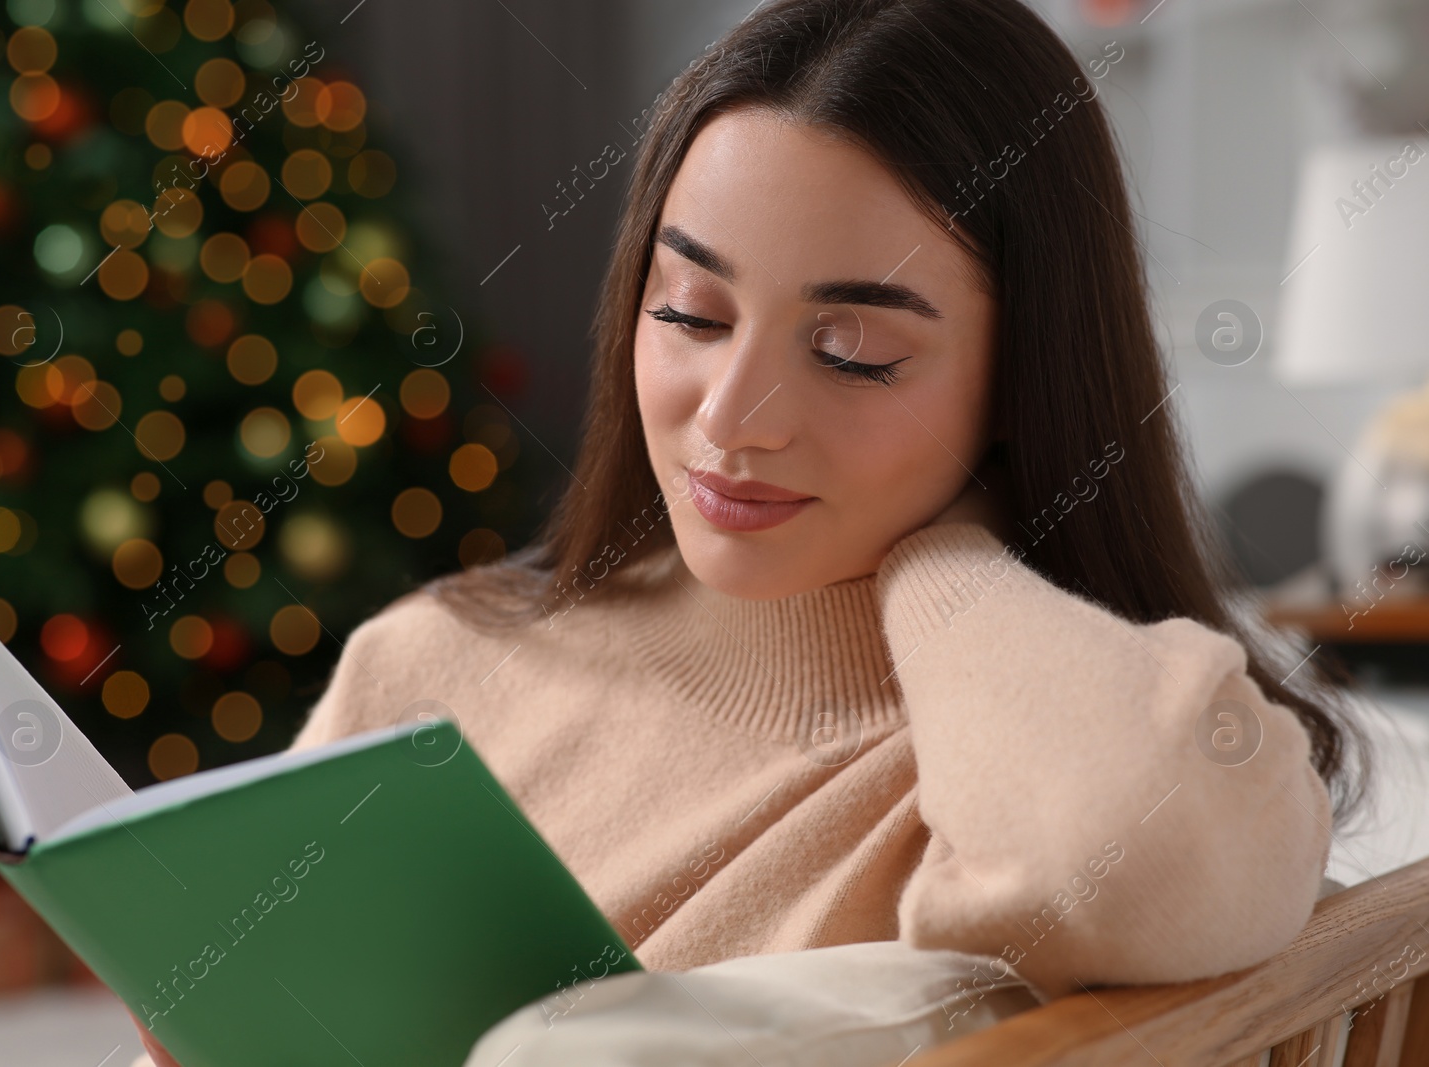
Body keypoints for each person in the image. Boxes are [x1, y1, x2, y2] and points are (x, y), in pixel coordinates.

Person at [129, 0, 1370, 1061]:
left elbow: (1130, 852)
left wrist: (947, 556)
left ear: (1028, 375)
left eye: (851, 351)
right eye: (690, 312)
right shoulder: (433, 661)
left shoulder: (1045, 753)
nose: (730, 420)